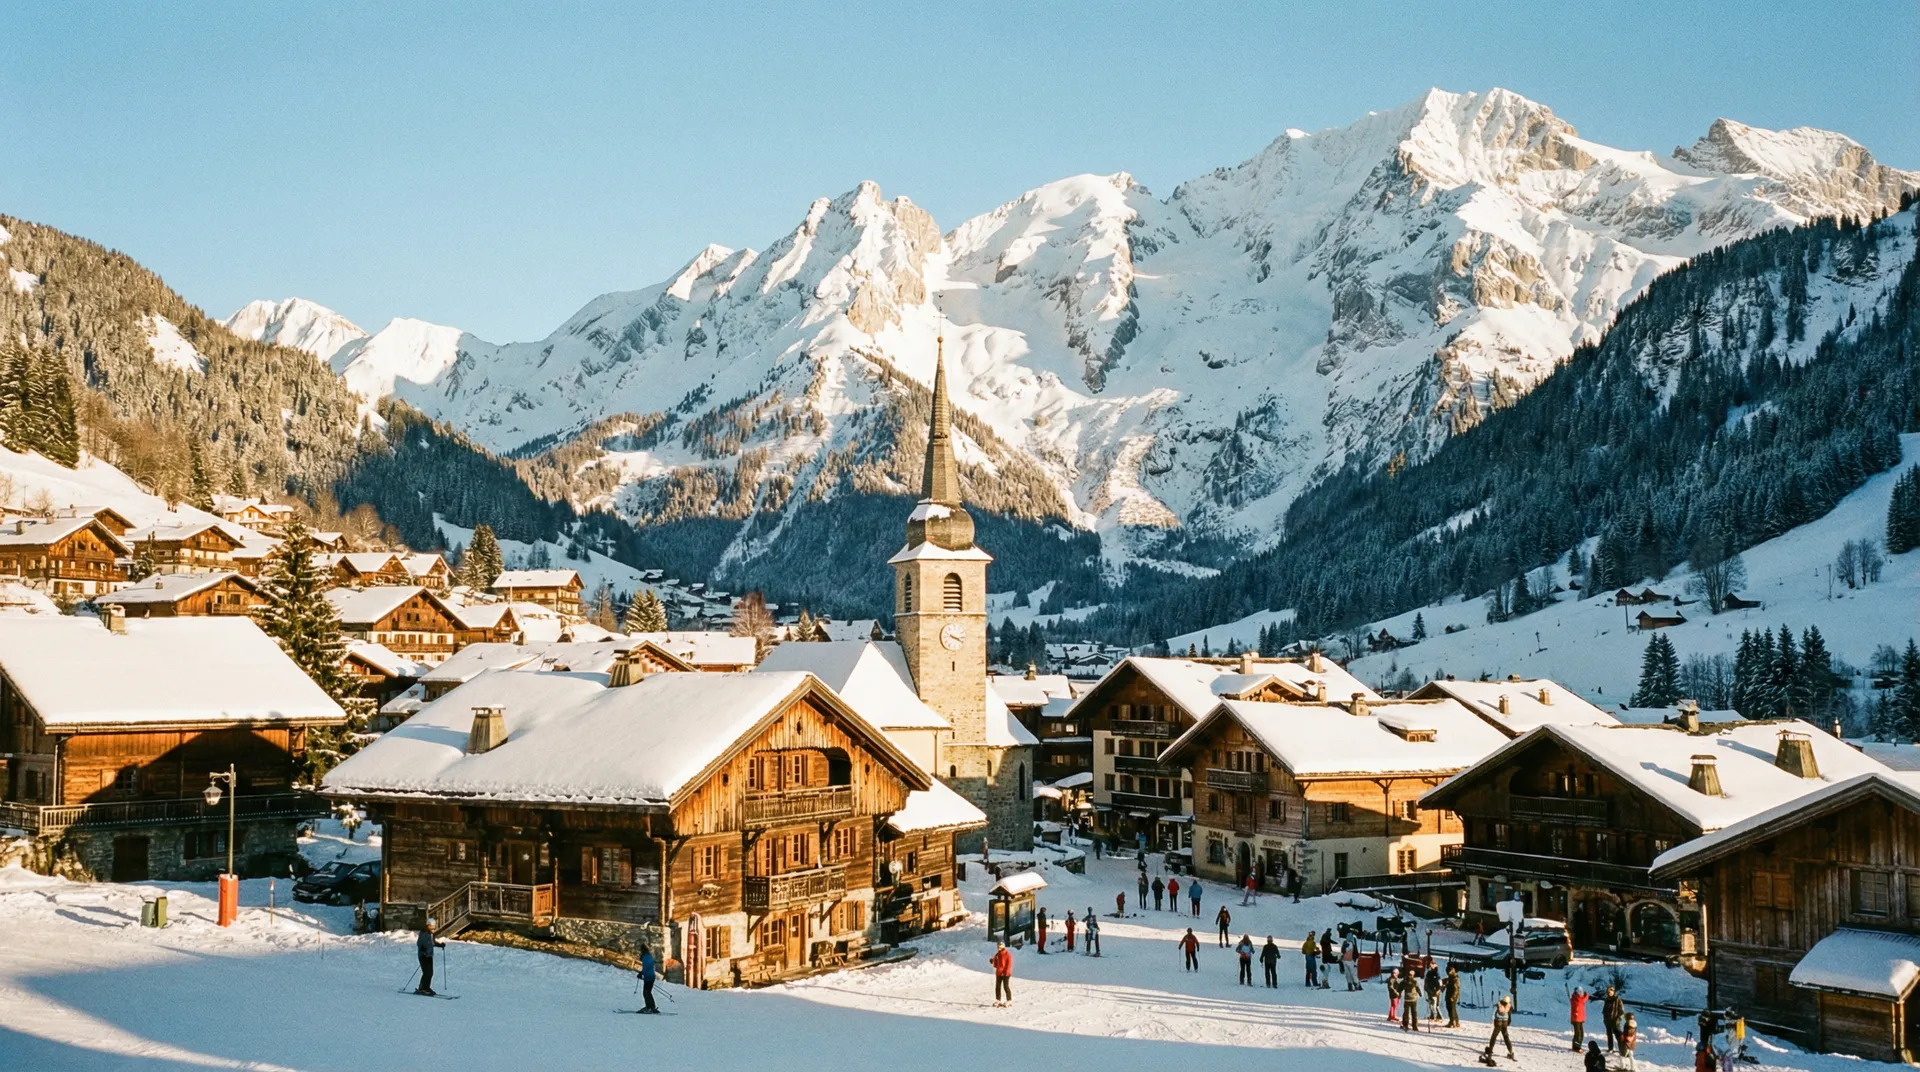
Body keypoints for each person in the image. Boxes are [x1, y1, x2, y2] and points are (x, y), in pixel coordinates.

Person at [414, 920, 444, 996]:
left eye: (434, 926)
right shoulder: (423, 933)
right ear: (428, 925)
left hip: (429, 955)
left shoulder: (431, 934)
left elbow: (432, 943)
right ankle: (422, 988)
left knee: (430, 972)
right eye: (431, 926)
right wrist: (422, 948)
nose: (433, 928)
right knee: (426, 972)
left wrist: (440, 945)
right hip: (423, 955)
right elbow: (419, 943)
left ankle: (426, 987)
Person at [1483, 992, 1515, 1062]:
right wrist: (1508, 1023)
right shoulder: (1509, 1006)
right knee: (1506, 1037)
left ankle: (1490, 1050)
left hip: (1498, 1022)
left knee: (1494, 1036)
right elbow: (1509, 1015)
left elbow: (1495, 1012)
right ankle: (1511, 1052)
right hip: (1505, 1023)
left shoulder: (1500, 1004)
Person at [636, 943, 659, 1013]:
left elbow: (646, 967)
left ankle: (650, 1007)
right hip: (651, 976)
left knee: (646, 992)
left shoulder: (645, 957)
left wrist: (641, 973)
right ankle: (651, 1006)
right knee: (648, 992)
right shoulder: (649, 956)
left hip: (648, 977)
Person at [990, 942, 1014, 1007]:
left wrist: (1005, 972)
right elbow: (996, 965)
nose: (998, 948)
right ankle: (998, 1000)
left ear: (1003, 947)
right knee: (997, 987)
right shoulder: (997, 955)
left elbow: (1009, 965)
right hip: (998, 973)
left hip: (1005, 974)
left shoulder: (1007, 955)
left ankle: (1009, 1000)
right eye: (997, 947)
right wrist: (992, 962)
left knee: (1005, 986)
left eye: (999, 947)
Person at [1603, 985, 1625, 1053]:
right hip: (1608, 1021)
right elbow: (1604, 1010)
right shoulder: (1606, 1000)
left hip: (1615, 1021)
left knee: (1618, 1036)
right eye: (1608, 992)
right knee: (1609, 1035)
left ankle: (1623, 1050)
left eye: (1611, 991)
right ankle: (1610, 1048)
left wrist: (1618, 1020)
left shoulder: (1618, 1000)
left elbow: (1622, 1012)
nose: (1609, 993)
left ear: (1613, 992)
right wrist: (1605, 1019)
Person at [1569, 984, 1589, 1051]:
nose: (1581, 993)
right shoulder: (1576, 999)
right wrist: (1586, 995)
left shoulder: (1579, 999)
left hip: (1580, 1018)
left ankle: (1578, 1046)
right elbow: (1583, 1000)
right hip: (1576, 1019)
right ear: (1576, 992)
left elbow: (1584, 999)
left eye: (1581, 991)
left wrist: (1585, 994)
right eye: (1579, 992)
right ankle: (1576, 1047)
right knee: (1578, 1034)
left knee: (1581, 1034)